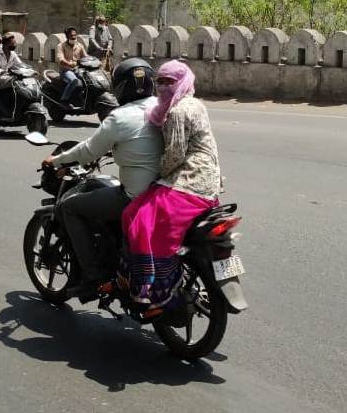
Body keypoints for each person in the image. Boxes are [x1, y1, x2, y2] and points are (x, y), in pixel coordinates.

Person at [41, 58, 163, 296]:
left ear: (119, 87)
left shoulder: (120, 117)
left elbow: (88, 151)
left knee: (69, 207)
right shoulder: (165, 107)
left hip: (135, 197)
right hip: (168, 192)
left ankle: (92, 275)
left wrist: (55, 161)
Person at [120, 60, 222, 318]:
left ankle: (151, 287)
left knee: (136, 217)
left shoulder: (177, 112)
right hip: (209, 181)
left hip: (189, 181)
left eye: (170, 82)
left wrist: (157, 174)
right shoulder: (196, 103)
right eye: (161, 81)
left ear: (183, 81)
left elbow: (175, 154)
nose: (164, 86)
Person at [56, 27, 87, 108]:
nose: (74, 37)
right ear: (67, 36)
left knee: (88, 80)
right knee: (74, 80)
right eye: (71, 35)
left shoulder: (80, 46)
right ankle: (64, 100)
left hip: (78, 70)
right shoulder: (61, 46)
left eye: (75, 35)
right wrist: (69, 64)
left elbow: (85, 57)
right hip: (65, 71)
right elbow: (61, 59)